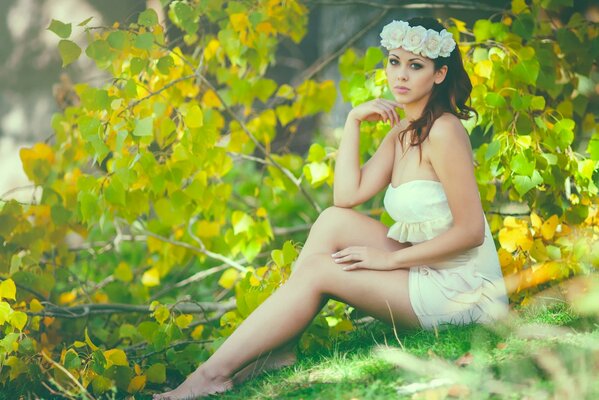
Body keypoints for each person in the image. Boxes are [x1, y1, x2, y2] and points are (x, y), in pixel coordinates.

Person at [153, 16, 510, 400]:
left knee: (323, 268)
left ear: (439, 74)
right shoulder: (402, 133)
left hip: (464, 294)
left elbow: (471, 231)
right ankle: (279, 350)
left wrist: (387, 261)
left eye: (415, 66)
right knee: (332, 220)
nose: (401, 75)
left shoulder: (444, 131)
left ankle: (211, 376)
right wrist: (354, 120)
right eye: (394, 62)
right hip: (426, 268)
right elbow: (346, 196)